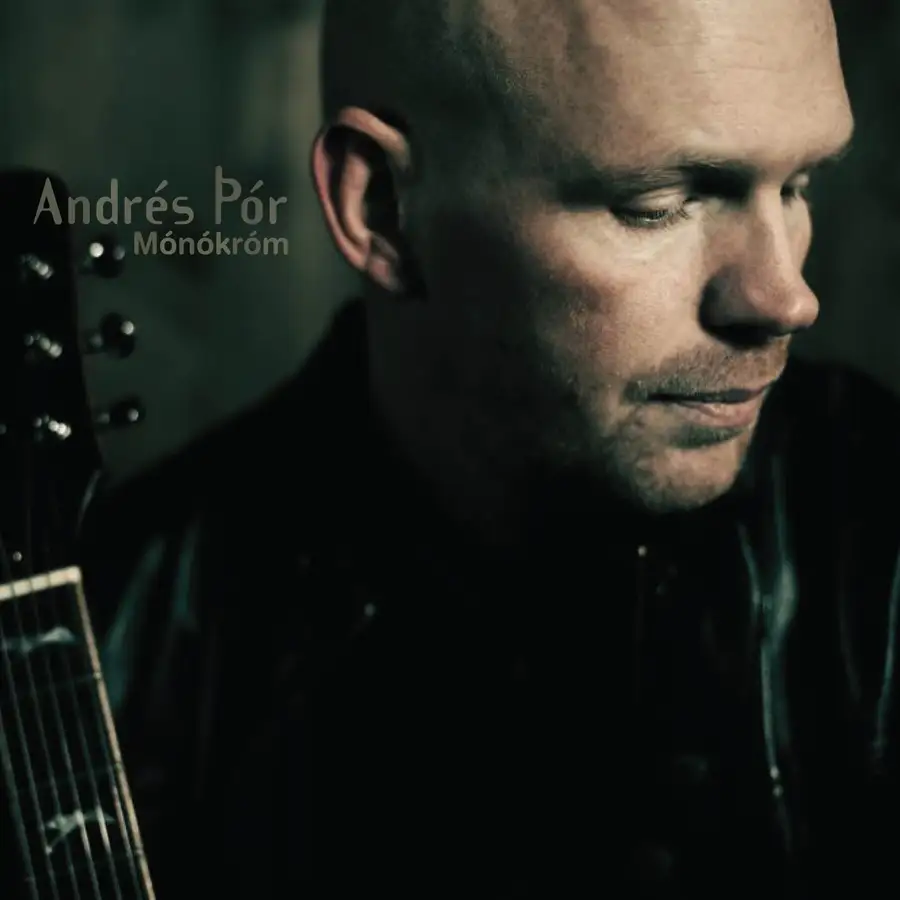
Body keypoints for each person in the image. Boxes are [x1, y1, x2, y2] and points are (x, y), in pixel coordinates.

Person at [66, 0, 897, 896]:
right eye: (657, 205)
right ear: (383, 208)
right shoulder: (104, 649)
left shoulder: (878, 528)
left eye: (798, 187)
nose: (786, 297)